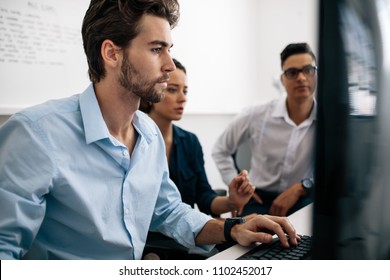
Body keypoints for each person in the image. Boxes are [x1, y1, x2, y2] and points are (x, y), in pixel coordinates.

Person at [0, 0, 299, 260]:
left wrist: (234, 228)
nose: (169, 65)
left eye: (169, 49)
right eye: (157, 49)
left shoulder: (149, 135)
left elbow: (168, 211)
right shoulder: (35, 135)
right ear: (112, 54)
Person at [139, 58, 254, 218]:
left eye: (185, 91)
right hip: (146, 240)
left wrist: (232, 201)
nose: (183, 98)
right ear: (150, 93)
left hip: (185, 235)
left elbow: (204, 197)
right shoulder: (134, 139)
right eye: (172, 90)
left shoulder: (190, 142)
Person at [212, 43, 317, 217]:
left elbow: (336, 168)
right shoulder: (256, 114)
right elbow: (220, 149)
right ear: (282, 80)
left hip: (303, 196)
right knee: (251, 239)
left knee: (307, 238)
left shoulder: (329, 121)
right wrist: (237, 187)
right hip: (259, 199)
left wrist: (303, 187)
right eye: (292, 72)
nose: (301, 78)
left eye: (308, 70)